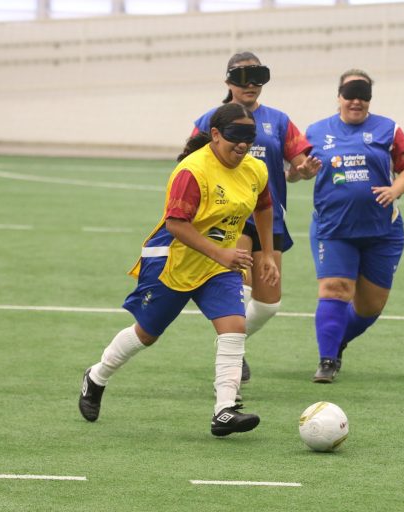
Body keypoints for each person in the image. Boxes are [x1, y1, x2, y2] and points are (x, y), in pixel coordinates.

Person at [79, 103, 279, 436]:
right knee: (146, 334)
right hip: (172, 261)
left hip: (218, 265)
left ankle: (224, 411)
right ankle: (96, 376)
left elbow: (264, 207)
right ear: (215, 135)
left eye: (249, 136)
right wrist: (222, 254)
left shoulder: (254, 169)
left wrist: (267, 254)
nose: (243, 144)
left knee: (234, 327)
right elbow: (175, 224)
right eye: (235, 136)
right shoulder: (193, 171)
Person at [192, 51, 321, 384]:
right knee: (243, 285)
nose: (251, 86)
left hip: (268, 215)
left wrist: (303, 171)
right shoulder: (210, 119)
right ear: (228, 83)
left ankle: (233, 339)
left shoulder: (278, 121)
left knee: (269, 303)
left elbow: (296, 169)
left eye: (257, 78)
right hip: (229, 215)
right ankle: (232, 355)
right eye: (242, 78)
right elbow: (188, 163)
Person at [304, 69, 404, 383]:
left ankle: (338, 339)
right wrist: (303, 169)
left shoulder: (388, 129)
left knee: (370, 307)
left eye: (363, 95)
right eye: (350, 93)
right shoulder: (316, 132)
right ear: (338, 96)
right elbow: (296, 171)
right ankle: (327, 360)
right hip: (334, 228)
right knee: (334, 289)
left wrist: (396, 189)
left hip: (382, 231)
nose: (356, 101)